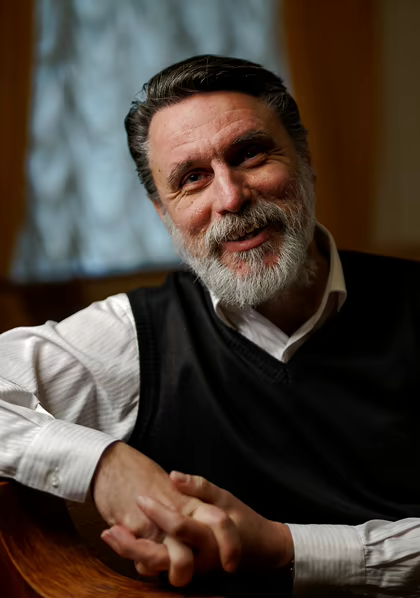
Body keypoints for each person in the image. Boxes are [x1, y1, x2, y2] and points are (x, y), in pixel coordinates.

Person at [1, 55, 420, 596]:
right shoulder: (135, 338)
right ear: (163, 212)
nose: (230, 198)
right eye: (192, 178)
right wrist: (103, 466)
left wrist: (285, 546)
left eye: (249, 154)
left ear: (306, 160)